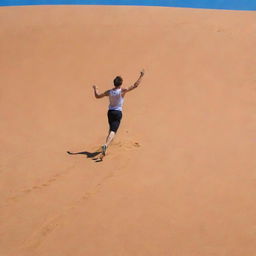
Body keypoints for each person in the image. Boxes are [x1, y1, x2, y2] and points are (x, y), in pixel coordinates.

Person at [92, 69, 145, 158]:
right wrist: (141, 76)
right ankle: (105, 145)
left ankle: (106, 146)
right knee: (113, 131)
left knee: (111, 129)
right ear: (120, 84)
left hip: (110, 112)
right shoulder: (122, 91)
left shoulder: (109, 92)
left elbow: (97, 96)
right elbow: (135, 85)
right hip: (118, 113)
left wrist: (95, 89)